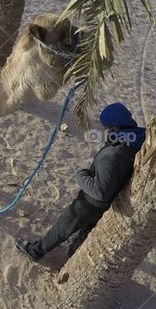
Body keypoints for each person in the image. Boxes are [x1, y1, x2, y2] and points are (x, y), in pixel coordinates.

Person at [17, 102, 146, 262]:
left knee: (63, 226)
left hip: (90, 203)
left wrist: (81, 175)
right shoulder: (138, 139)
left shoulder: (111, 157)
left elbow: (100, 193)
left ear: (113, 128)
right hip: (108, 202)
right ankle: (73, 254)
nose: (105, 131)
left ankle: (35, 251)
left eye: (106, 128)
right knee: (84, 230)